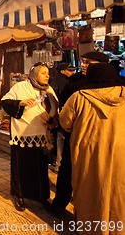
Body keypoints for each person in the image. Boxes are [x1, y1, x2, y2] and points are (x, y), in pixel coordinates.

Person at [59, 63, 125, 235]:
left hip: (89, 152)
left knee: (91, 191)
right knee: (118, 191)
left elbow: (65, 122)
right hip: (121, 153)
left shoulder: (79, 97)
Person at [50, 50, 109, 216]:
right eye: (83, 62)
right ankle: (60, 203)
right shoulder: (74, 82)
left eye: (88, 63)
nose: (83, 66)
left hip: (102, 137)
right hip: (75, 134)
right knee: (67, 168)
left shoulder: (113, 84)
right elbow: (64, 107)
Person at [0, 62, 59, 212]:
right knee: (21, 167)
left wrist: (52, 121)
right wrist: (20, 103)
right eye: (43, 73)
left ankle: (41, 195)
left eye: (48, 73)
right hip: (23, 134)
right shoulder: (20, 87)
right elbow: (5, 102)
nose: (47, 75)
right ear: (35, 74)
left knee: (39, 167)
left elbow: (54, 108)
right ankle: (18, 195)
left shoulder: (49, 90)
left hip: (41, 135)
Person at [48, 63, 77, 173]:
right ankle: (59, 164)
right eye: (70, 70)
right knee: (61, 140)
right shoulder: (63, 83)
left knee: (60, 140)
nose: (72, 72)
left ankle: (58, 164)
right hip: (62, 115)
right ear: (62, 71)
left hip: (60, 115)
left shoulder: (57, 82)